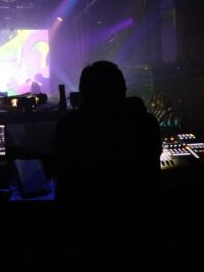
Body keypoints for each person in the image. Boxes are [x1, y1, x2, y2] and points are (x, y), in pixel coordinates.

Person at [54, 61, 161, 268]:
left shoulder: (69, 126)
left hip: (85, 232)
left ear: (84, 94)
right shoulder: (145, 122)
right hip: (139, 228)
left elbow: (64, 178)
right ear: (122, 90)